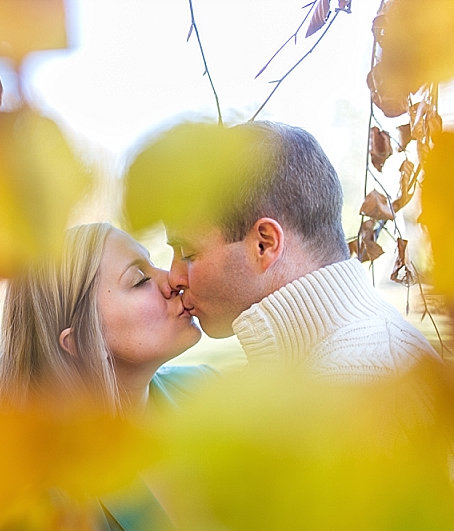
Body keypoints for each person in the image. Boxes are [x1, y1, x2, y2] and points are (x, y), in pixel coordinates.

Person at [125, 121, 438, 381]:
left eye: (189, 253)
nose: (175, 277)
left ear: (264, 244)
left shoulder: (358, 383)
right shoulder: (307, 370)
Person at [0, 222, 213, 531]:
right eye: (139, 280)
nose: (170, 279)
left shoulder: (208, 392)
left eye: (152, 263)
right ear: (81, 341)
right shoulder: (46, 501)